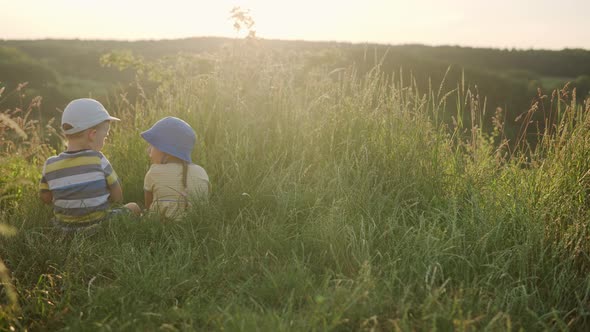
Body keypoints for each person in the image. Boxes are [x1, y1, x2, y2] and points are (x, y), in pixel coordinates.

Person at [39, 98, 140, 232]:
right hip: (100, 225)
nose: (105, 141)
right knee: (134, 207)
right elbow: (117, 194)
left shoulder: (50, 164)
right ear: (92, 135)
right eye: (105, 137)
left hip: (64, 229)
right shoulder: (98, 159)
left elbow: (45, 198)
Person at [141, 116, 210, 221]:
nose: (149, 152)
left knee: (134, 208)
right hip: (195, 227)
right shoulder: (201, 172)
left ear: (165, 151)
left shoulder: (153, 172)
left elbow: (148, 207)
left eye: (152, 146)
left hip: (160, 228)